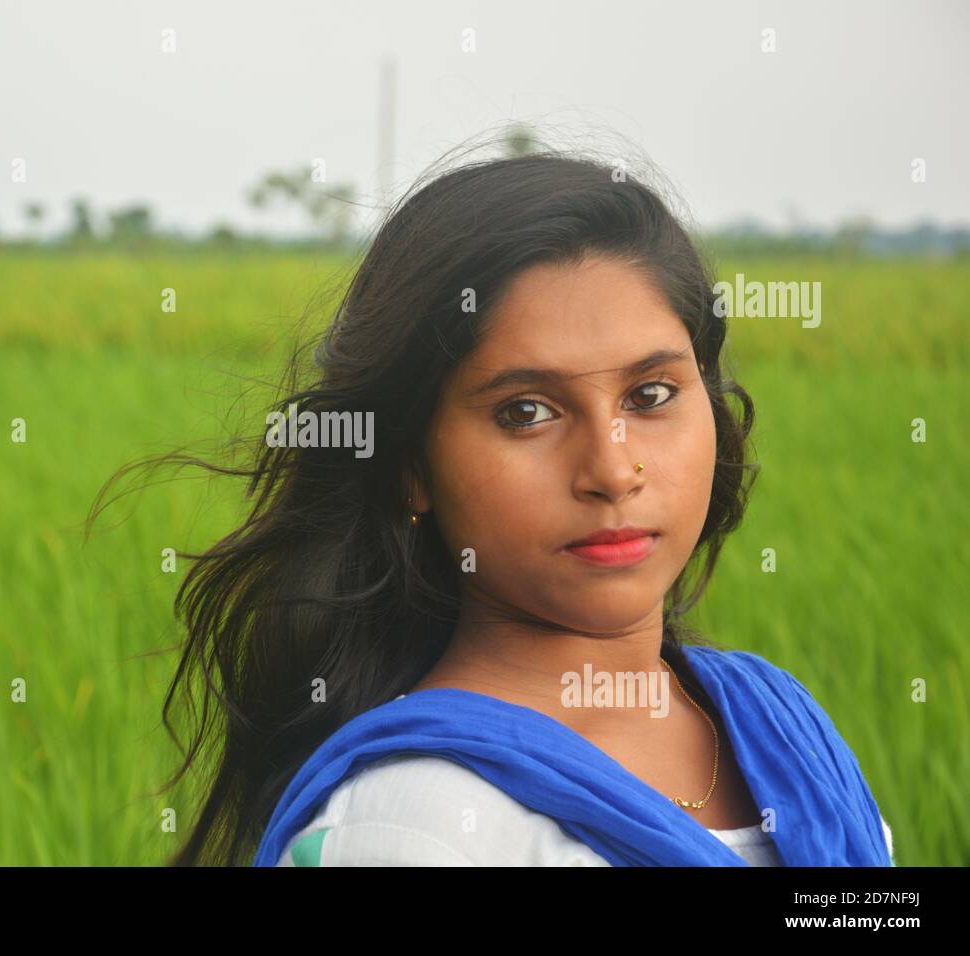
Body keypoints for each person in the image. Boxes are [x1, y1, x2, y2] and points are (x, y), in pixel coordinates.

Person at [91, 136, 896, 867]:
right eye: (525, 412)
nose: (612, 471)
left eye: (651, 395)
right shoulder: (411, 827)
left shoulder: (785, 732)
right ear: (411, 466)